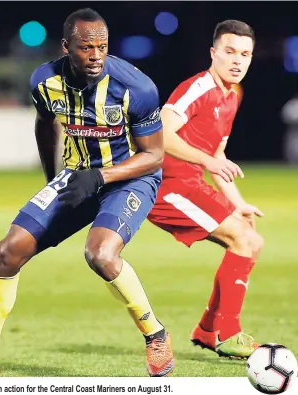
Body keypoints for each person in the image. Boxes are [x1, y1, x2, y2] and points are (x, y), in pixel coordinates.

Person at [0, 8, 174, 378]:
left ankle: (155, 334)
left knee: (99, 253)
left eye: (102, 46)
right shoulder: (44, 80)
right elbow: (44, 123)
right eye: (86, 47)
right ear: (67, 47)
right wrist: (54, 179)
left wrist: (100, 177)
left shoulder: (137, 87)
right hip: (75, 177)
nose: (96, 55)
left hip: (129, 179)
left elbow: (154, 156)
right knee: (5, 253)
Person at [147, 20, 264, 359]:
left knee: (248, 238)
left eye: (245, 54)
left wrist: (238, 203)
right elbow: (162, 135)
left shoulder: (231, 97)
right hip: (167, 188)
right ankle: (228, 334)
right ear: (213, 54)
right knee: (244, 240)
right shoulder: (198, 87)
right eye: (229, 52)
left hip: (190, 185)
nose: (237, 61)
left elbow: (216, 155)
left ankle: (207, 330)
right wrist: (210, 162)